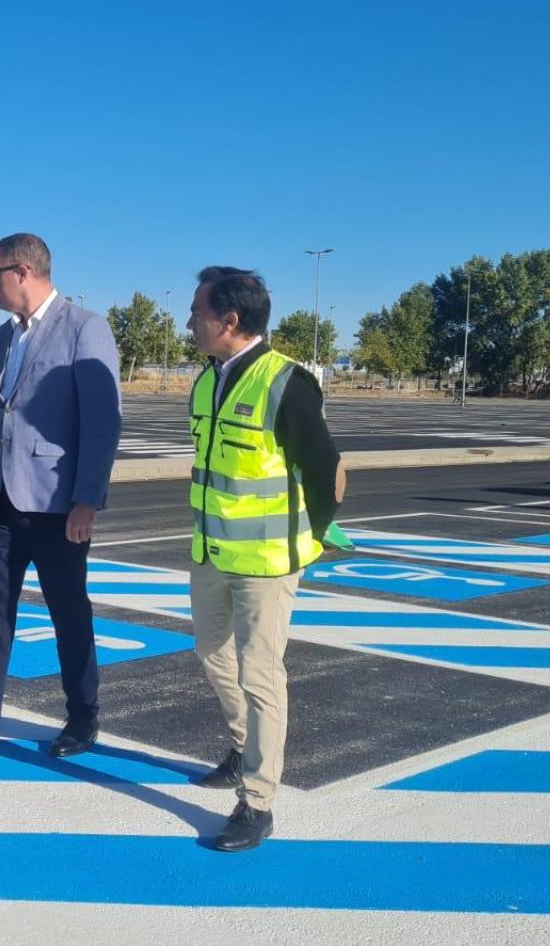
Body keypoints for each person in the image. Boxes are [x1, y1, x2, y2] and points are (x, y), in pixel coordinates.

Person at [0, 233, 121, 770]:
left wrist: (87, 501)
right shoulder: (0, 339)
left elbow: (102, 424)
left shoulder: (85, 328)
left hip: (57, 507)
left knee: (67, 614)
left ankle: (83, 716)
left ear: (24, 271)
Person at [182, 266, 343, 852]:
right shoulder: (206, 380)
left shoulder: (287, 383)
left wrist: (318, 533)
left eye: (198, 312)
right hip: (211, 549)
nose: (189, 322)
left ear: (230, 321)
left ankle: (258, 802)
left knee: (261, 674)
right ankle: (241, 744)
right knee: (211, 652)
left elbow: (325, 468)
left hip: (269, 560)